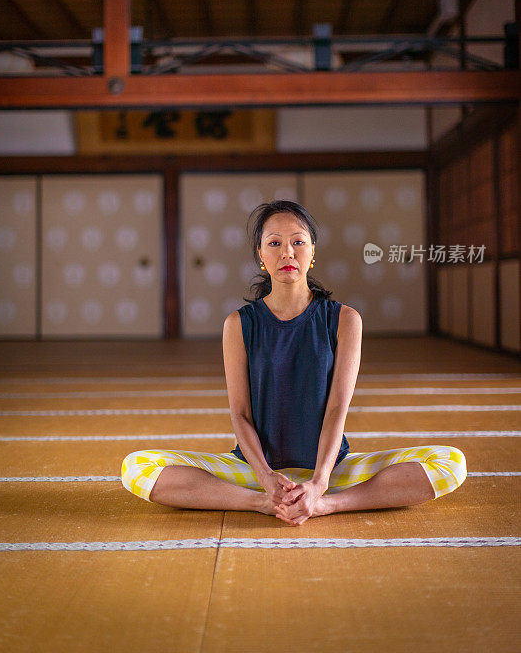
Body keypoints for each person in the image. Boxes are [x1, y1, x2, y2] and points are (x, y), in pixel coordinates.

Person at [121, 200, 467, 526]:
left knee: (451, 463)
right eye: (274, 243)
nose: (287, 252)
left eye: (298, 242)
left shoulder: (345, 320)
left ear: (313, 250)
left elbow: (336, 409)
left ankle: (326, 505)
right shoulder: (238, 324)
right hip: (253, 472)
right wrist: (267, 481)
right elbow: (240, 415)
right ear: (260, 254)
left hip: (333, 470)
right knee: (135, 468)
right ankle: (259, 502)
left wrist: (319, 484)